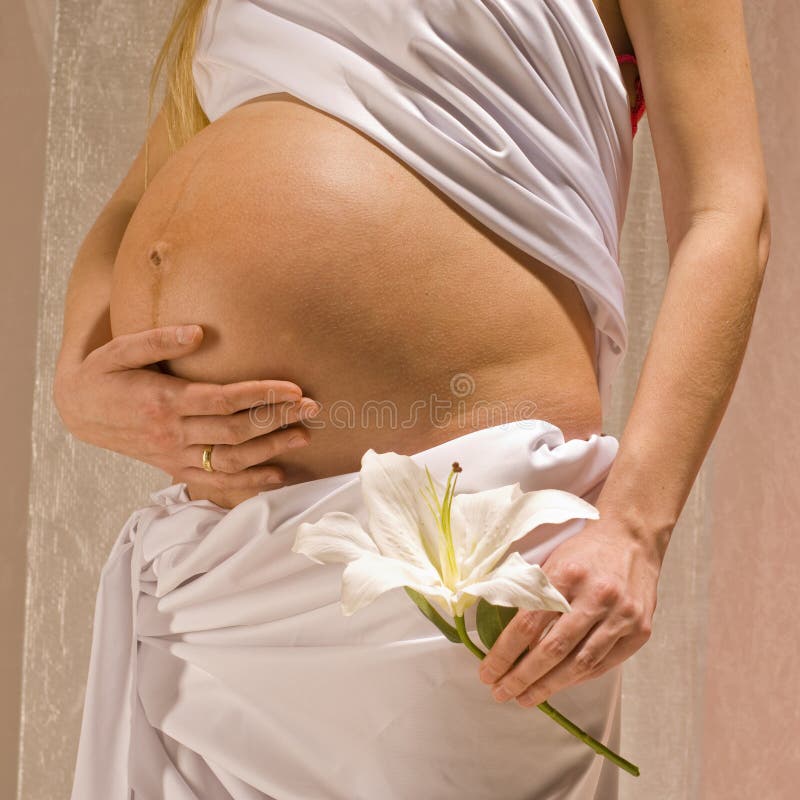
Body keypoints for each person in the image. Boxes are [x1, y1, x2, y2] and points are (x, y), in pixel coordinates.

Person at [57, 1, 770, 797]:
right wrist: (76, 375)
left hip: (464, 530)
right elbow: (133, 204)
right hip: (216, 561)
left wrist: (635, 528)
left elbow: (726, 212)